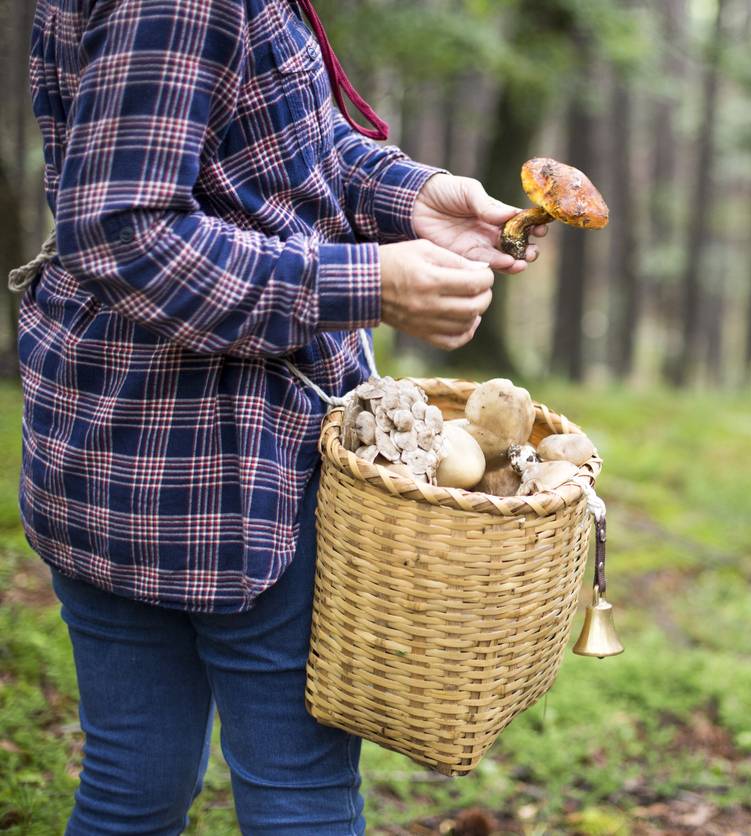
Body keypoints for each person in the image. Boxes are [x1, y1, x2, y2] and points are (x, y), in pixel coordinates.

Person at [21, 1, 545, 832]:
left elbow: (275, 143)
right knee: (295, 791)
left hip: (97, 446)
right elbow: (123, 230)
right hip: (234, 470)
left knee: (134, 783)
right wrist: (363, 285)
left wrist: (415, 194)